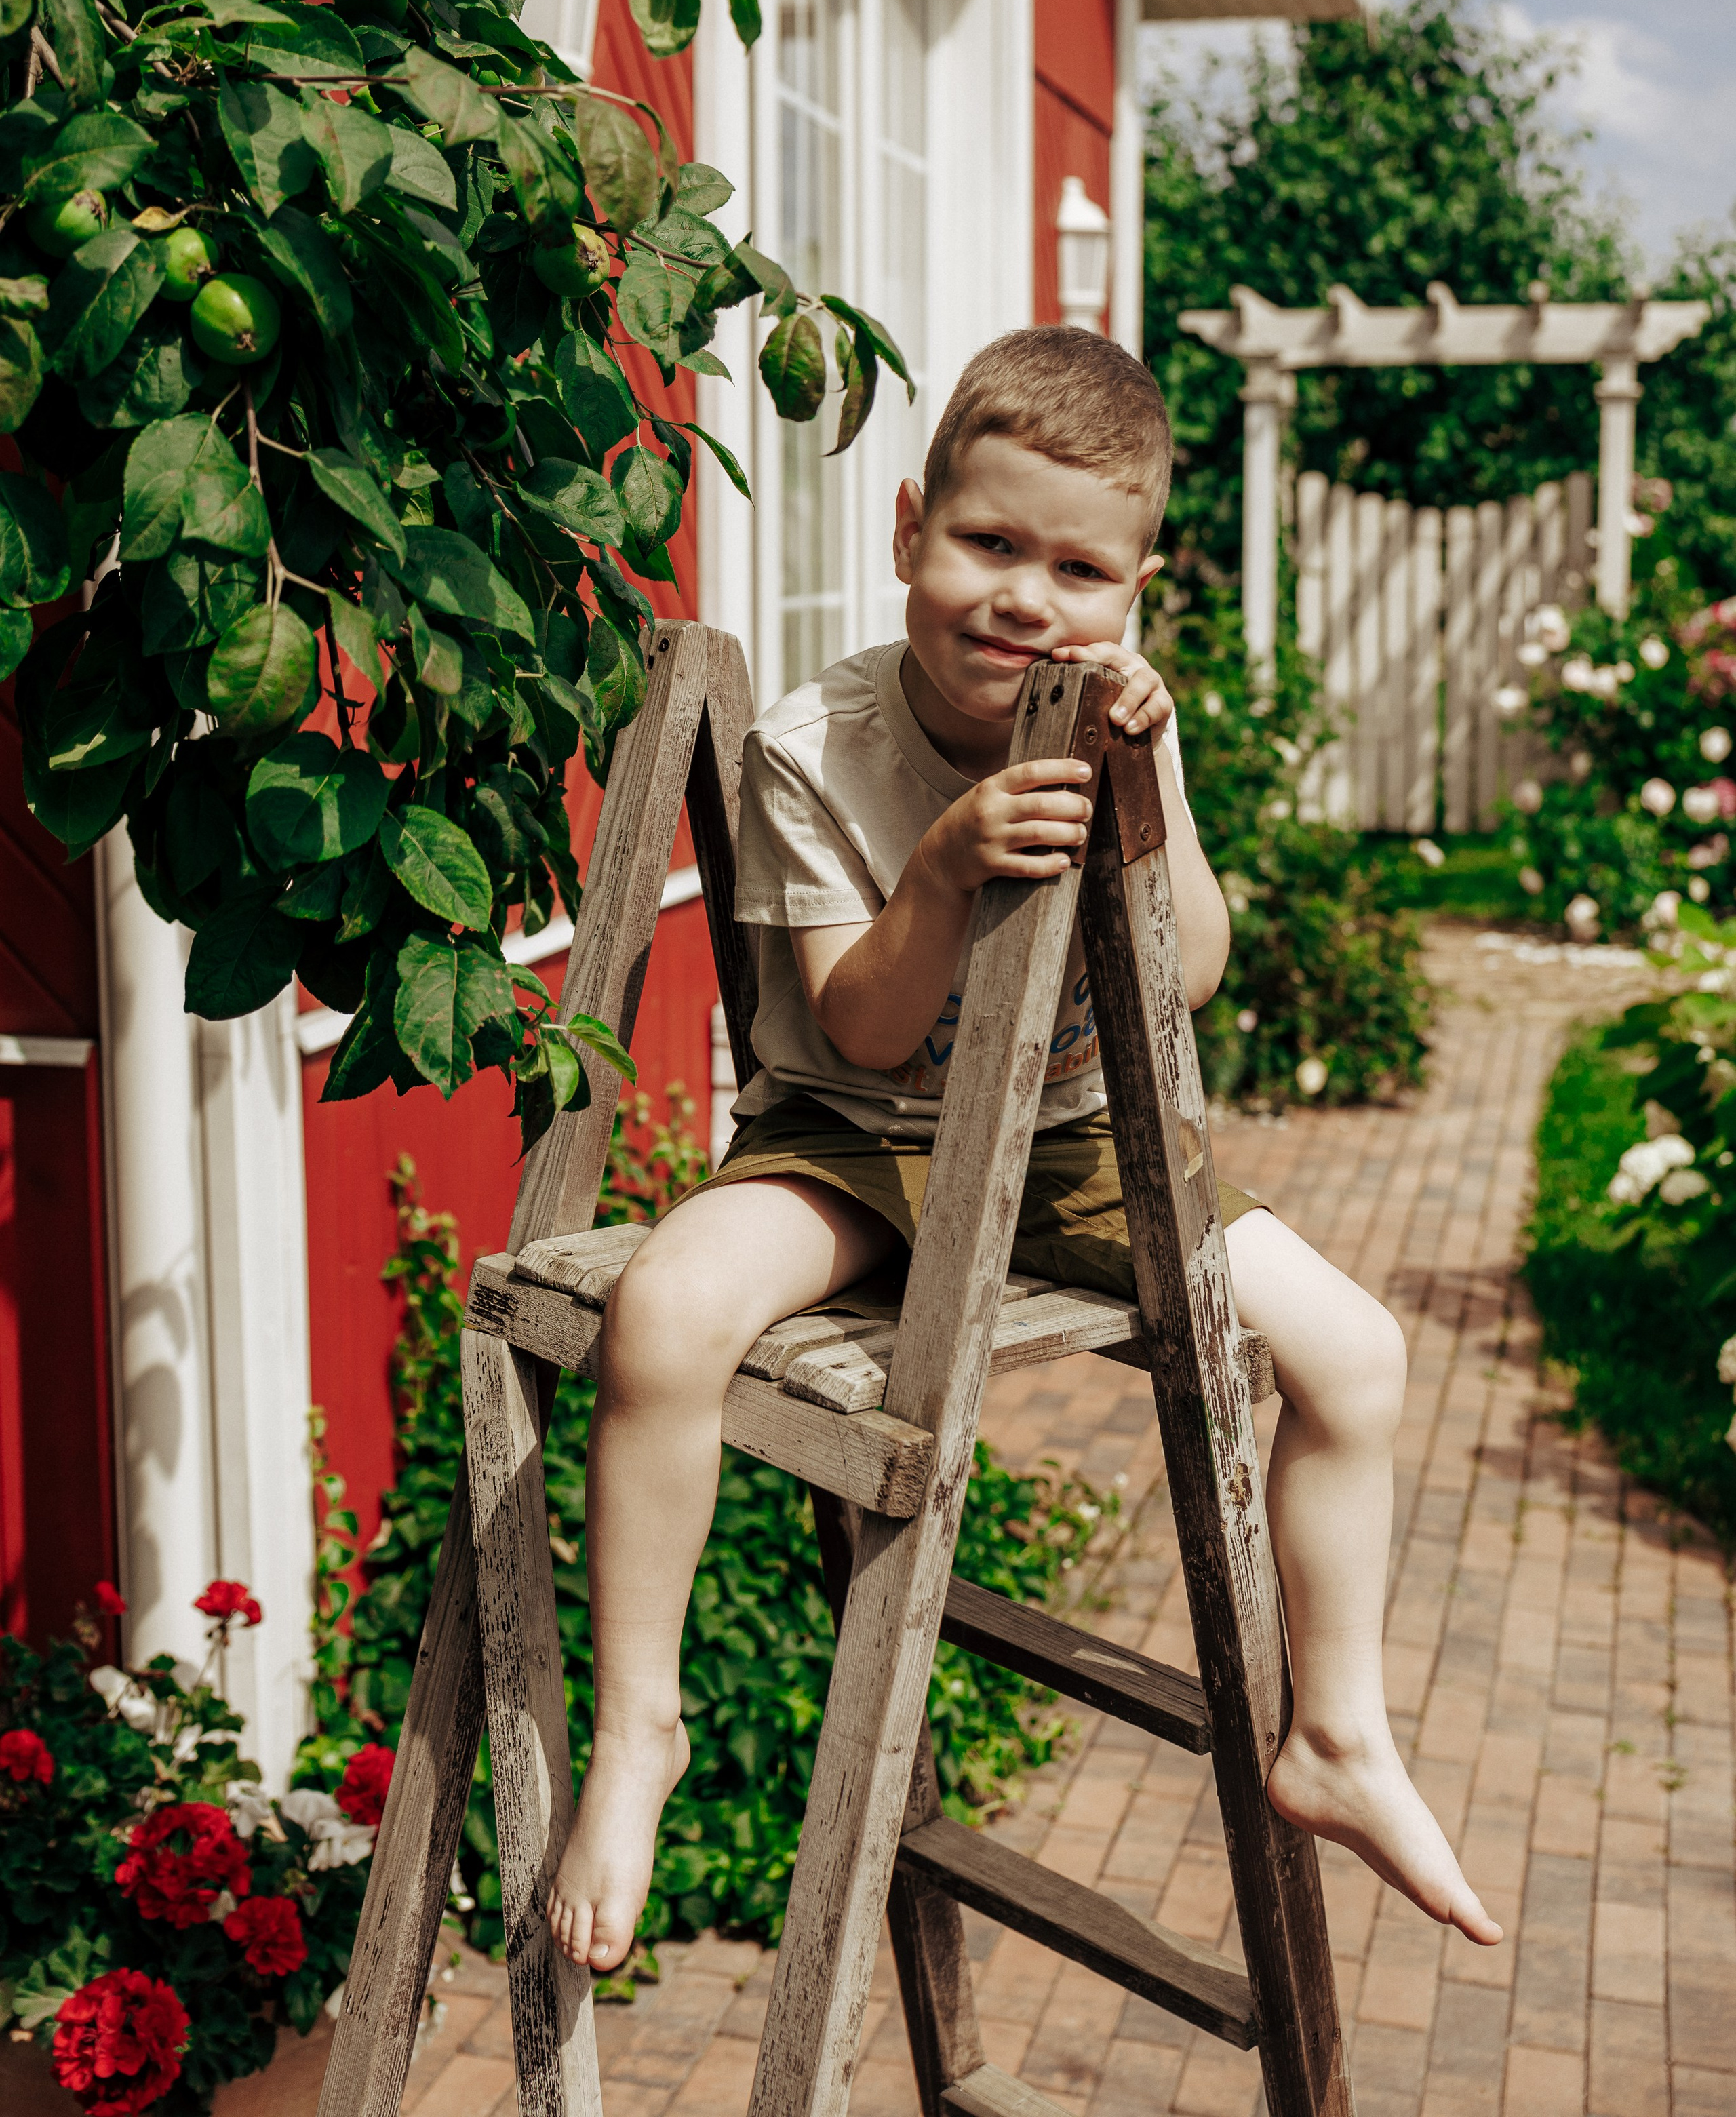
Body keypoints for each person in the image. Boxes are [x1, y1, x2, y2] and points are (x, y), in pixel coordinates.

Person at [547, 325, 1502, 1972]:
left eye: (1077, 568)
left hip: (1064, 1146)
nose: (1022, 599)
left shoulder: (1114, 721)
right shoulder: (811, 747)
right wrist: (938, 871)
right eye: (989, 544)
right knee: (664, 1320)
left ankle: (1333, 1729)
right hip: (842, 1146)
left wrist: (1147, 793)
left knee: (1355, 1352)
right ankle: (640, 1728)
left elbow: (1186, 968)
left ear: (1132, 588)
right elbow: (855, 1025)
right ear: (910, 525)